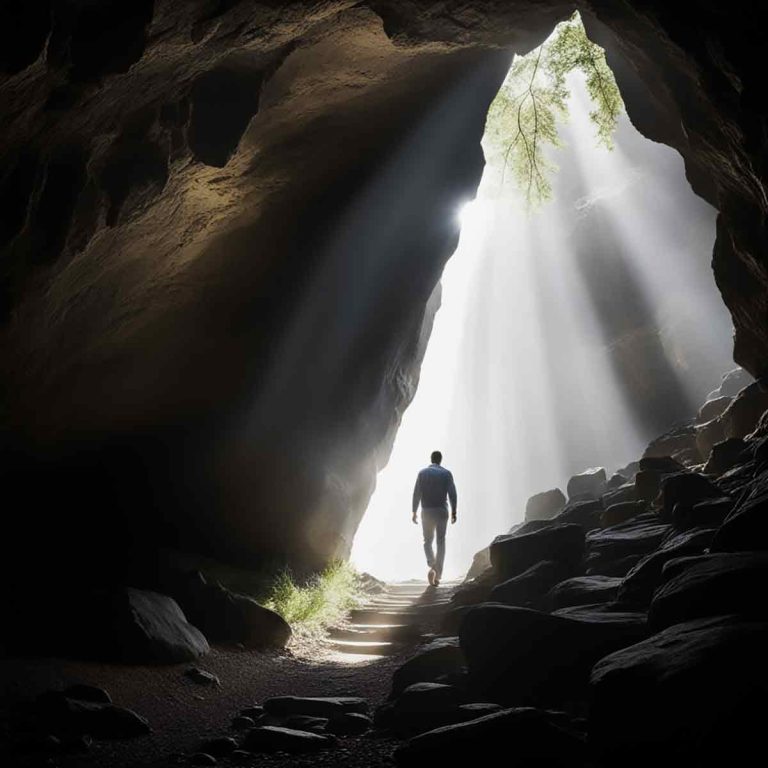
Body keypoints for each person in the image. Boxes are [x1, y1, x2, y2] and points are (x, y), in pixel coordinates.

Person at [412, 450, 457, 586]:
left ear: (431, 460)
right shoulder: (446, 474)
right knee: (441, 542)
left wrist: (414, 511)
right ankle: (438, 575)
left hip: (427, 511)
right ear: (440, 460)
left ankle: (432, 564)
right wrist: (454, 511)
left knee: (427, 541)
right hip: (442, 510)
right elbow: (452, 494)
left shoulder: (422, 473)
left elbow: (416, 494)